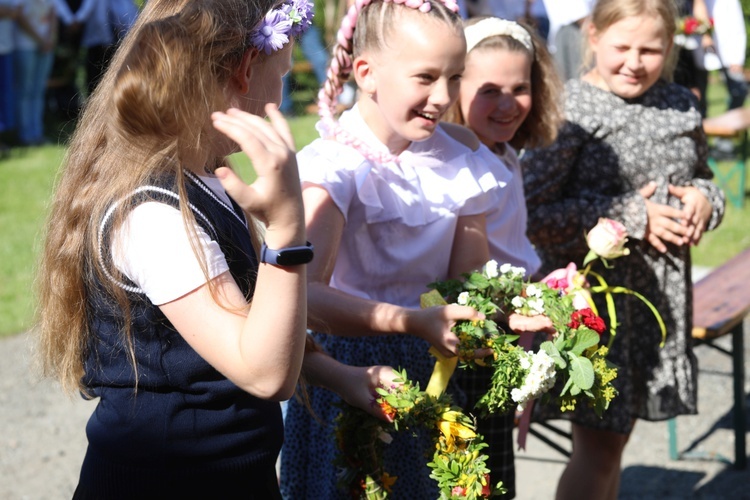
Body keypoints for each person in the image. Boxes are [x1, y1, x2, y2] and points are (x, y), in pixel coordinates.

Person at [35, 1, 396, 497]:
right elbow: (265, 373)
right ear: (247, 70)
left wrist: (339, 376)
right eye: (284, 72)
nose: (283, 89)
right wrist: (287, 233)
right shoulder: (152, 215)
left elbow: (249, 321)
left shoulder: (204, 177)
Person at [279, 0, 516, 497]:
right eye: (425, 77)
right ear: (366, 73)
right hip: (349, 372)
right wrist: (410, 321)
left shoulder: (461, 159)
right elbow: (305, 297)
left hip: (430, 366)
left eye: (455, 78)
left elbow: (468, 283)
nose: (443, 97)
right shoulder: (334, 166)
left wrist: (510, 311)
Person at [521, 0, 726, 499]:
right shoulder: (570, 110)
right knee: (598, 450)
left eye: (651, 49)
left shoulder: (679, 102)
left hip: (656, 306)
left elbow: (701, 176)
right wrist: (633, 216)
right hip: (595, 308)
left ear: (670, 49)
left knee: (614, 446)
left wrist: (706, 201)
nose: (635, 62)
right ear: (592, 35)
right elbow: (528, 216)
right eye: (622, 47)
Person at [444, 16, 563, 499]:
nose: (507, 103)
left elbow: (512, 249)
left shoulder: (505, 154)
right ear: (455, 88)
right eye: (488, 88)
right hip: (471, 341)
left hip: (504, 338)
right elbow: (463, 273)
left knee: (495, 480)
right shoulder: (458, 162)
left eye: (521, 87)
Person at [13, 0, 56, 146]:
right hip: (25, 46)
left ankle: (37, 133)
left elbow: (53, 15)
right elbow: (19, 17)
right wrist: (40, 40)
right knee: (25, 90)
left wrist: (49, 39)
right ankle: (25, 135)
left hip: (46, 47)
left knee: (39, 90)